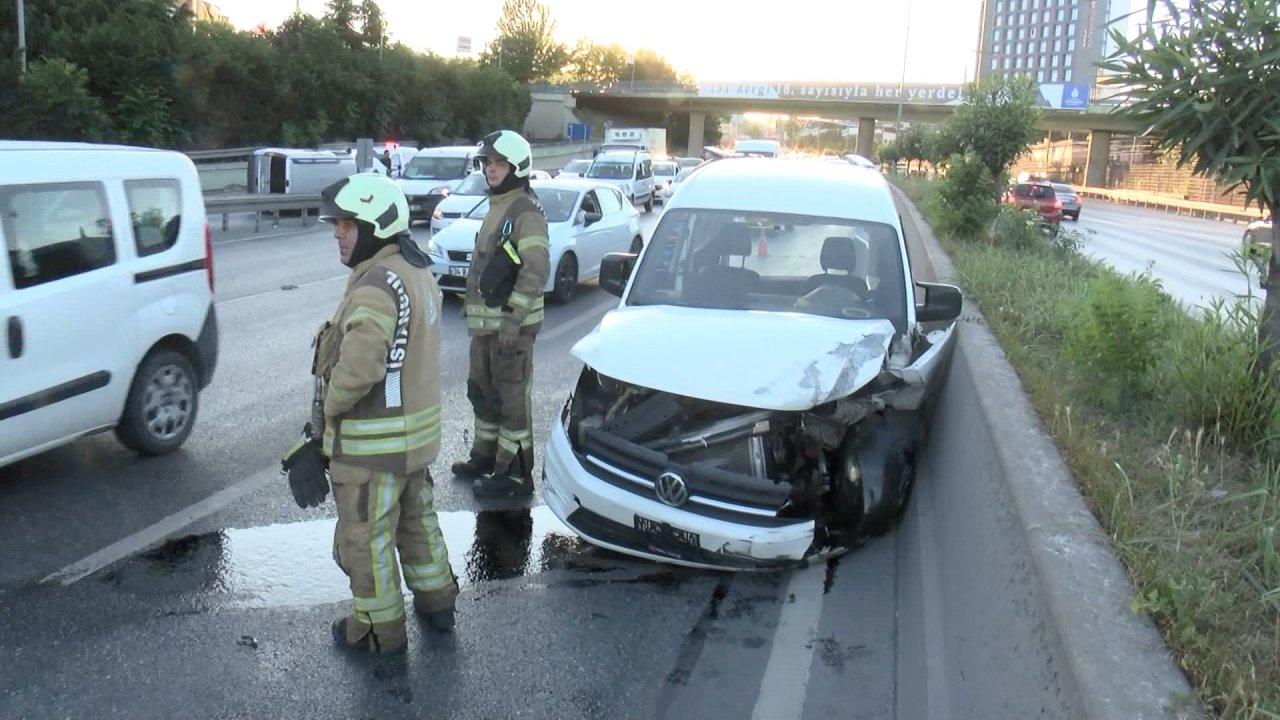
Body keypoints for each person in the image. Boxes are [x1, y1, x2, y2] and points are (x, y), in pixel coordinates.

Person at [282, 172, 456, 656]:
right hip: (411, 443)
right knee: (417, 525)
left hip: (372, 449)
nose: (336, 232)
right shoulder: (413, 270)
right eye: (335, 223)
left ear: (375, 226)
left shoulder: (376, 286)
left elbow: (358, 371)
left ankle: (379, 633)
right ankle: (438, 604)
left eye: (345, 224)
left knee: (364, 543)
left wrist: (324, 422)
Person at [449, 130, 550, 498]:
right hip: (486, 329)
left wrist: (512, 319)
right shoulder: (498, 204)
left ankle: (515, 475)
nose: (491, 169)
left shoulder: (525, 210)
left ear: (517, 166)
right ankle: (485, 457)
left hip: (511, 330)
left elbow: (535, 269)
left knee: (511, 403)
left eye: (499, 163)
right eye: (488, 163)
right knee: (483, 394)